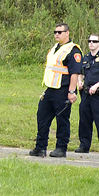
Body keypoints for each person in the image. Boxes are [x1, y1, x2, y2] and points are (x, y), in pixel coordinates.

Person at [32, 23, 82, 158]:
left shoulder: (73, 50)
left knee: (62, 120)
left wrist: (72, 92)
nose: (57, 34)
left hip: (63, 90)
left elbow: (75, 73)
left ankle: (61, 148)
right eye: (55, 32)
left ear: (67, 33)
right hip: (50, 89)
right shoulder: (55, 48)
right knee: (42, 117)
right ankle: (40, 148)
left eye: (60, 32)